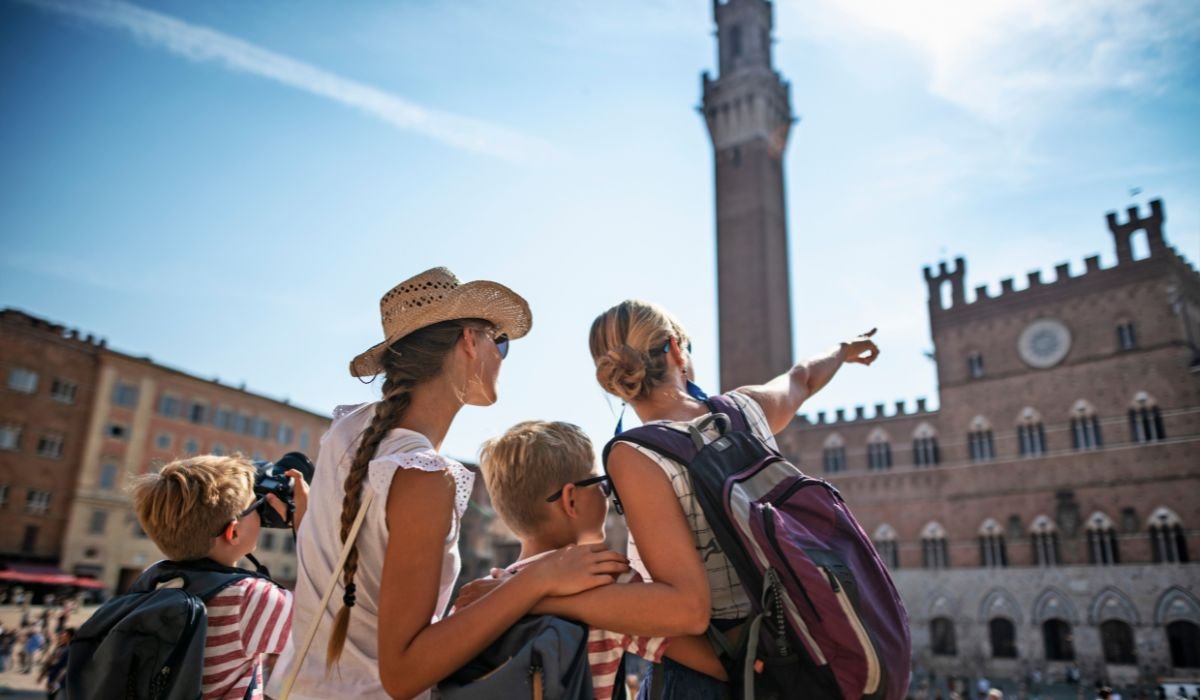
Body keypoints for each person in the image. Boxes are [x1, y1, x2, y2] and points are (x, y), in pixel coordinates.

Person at [268, 268, 627, 700]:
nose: (501, 355)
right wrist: (538, 579)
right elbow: (402, 674)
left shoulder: (349, 431)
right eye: (500, 342)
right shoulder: (423, 476)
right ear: (468, 340)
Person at [514, 299, 878, 698]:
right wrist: (843, 350)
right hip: (796, 648)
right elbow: (803, 378)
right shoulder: (745, 409)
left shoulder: (636, 455)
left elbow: (686, 610)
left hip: (713, 674)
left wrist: (542, 596)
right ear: (674, 349)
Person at [478, 420, 728, 699]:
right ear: (571, 500)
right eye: (601, 484)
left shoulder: (483, 593)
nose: (608, 495)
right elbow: (712, 663)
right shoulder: (601, 578)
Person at [130, 454, 307, 699]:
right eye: (257, 505)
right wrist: (306, 526)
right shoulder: (248, 597)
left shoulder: (154, 577)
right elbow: (321, 621)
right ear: (233, 532)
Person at [38, 627, 73, 699]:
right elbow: (49, 663)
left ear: (69, 635)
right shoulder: (59, 648)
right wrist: (42, 675)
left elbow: (66, 667)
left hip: (62, 683)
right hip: (52, 679)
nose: (60, 635)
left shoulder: (71, 650)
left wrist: (56, 682)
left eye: (63, 633)